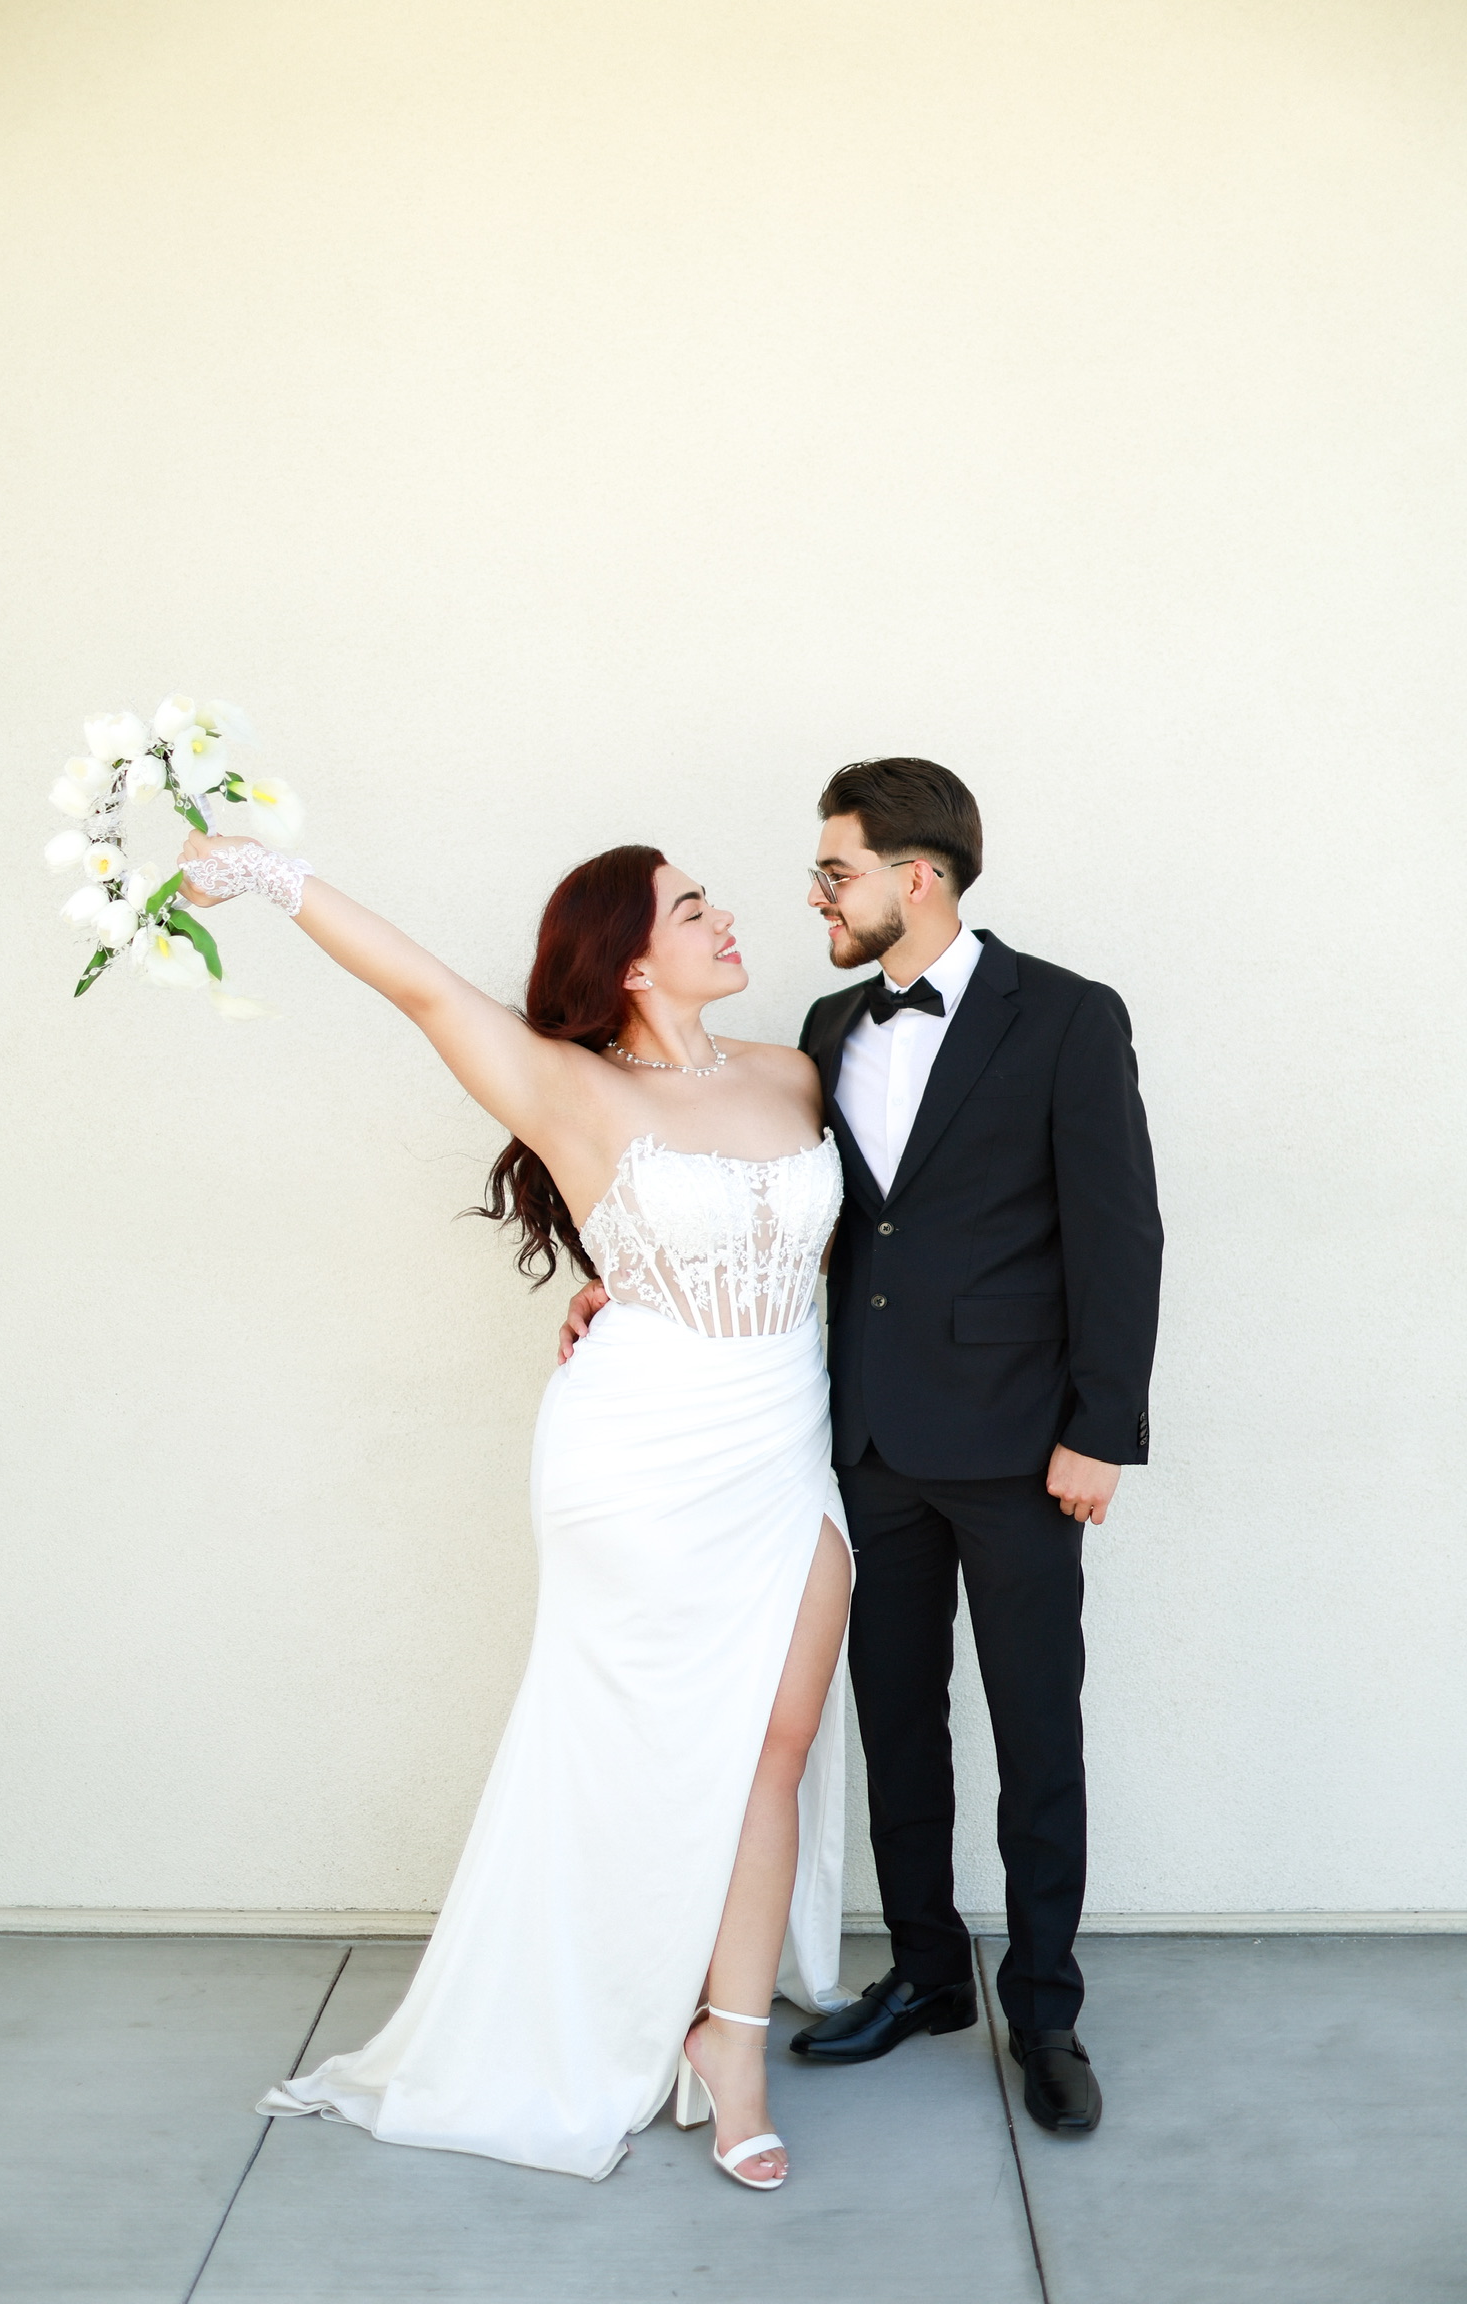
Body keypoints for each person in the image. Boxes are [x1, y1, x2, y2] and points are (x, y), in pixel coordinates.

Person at [174, 828, 853, 2187]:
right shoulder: (566, 1087)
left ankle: (730, 2041)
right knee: (639, 1746)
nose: (728, 922)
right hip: (638, 1460)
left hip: (782, 1443)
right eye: (694, 909)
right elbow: (424, 988)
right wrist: (264, 868)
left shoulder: (792, 1073)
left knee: (777, 1737)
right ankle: (601, 2001)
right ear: (630, 957)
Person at [563, 757, 1162, 2137]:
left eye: (834, 871)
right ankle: (932, 1978)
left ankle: (1048, 2008)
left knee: (1034, 1730)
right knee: (895, 1722)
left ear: (917, 875)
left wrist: (1100, 1432)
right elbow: (782, 1209)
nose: (814, 897)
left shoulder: (1067, 1018)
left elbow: (1118, 1232)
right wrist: (627, 1281)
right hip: (864, 1441)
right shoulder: (828, 1026)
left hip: (1023, 1450)